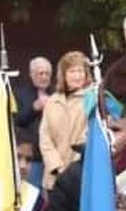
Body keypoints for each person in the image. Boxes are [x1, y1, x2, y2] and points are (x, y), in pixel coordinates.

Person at [38, 52, 90, 189]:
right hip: (55, 177)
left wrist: (72, 168)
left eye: (80, 71)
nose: (77, 76)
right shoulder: (52, 101)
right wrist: (57, 166)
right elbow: (45, 138)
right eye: (72, 71)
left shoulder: (92, 99)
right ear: (64, 75)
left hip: (81, 175)